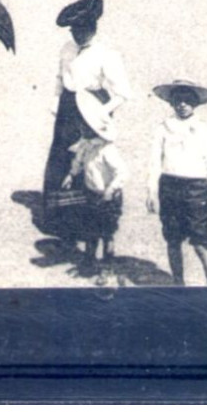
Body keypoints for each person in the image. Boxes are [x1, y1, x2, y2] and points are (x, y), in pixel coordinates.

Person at [41, 0, 130, 237]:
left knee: (90, 158)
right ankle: (60, 218)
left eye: (81, 30)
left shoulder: (106, 54)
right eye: (73, 31)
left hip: (92, 108)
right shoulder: (67, 49)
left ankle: (88, 218)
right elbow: (60, 77)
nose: (76, 35)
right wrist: (56, 99)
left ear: (92, 28)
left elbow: (122, 93)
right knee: (63, 157)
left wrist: (102, 112)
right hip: (68, 108)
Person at [148, 79, 207, 286]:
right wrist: (151, 191)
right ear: (171, 103)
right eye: (178, 100)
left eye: (187, 101)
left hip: (196, 189)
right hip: (169, 186)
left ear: (195, 104)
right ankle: (178, 284)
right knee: (173, 239)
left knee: (200, 241)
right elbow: (154, 162)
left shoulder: (203, 130)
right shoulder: (163, 128)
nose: (182, 105)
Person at [62, 90, 129, 283]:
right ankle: (89, 260)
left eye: (86, 126)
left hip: (108, 197)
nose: (82, 128)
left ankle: (107, 268)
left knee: (107, 233)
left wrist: (111, 190)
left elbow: (122, 172)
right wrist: (71, 174)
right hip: (91, 193)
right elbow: (79, 161)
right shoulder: (86, 145)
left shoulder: (107, 150)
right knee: (90, 230)